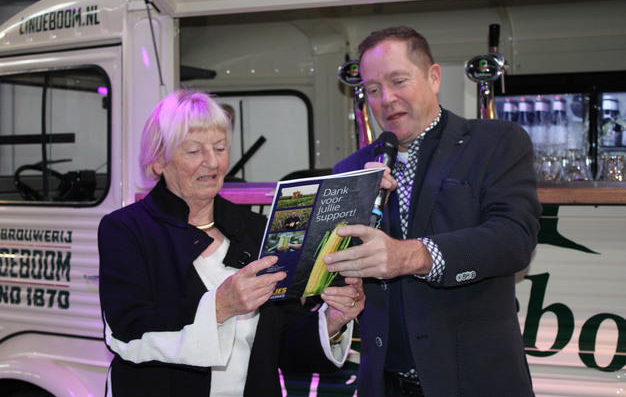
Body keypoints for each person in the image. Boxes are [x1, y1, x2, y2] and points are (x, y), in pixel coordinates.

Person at [98, 90, 364, 397]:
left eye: (220, 148)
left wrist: (331, 322)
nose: (212, 162)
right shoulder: (126, 229)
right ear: (158, 160)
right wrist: (220, 306)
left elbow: (281, 341)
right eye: (194, 151)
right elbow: (127, 333)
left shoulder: (256, 228)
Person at [326, 26, 542, 396]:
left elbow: (515, 240)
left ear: (434, 77)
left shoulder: (496, 142)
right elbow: (333, 272)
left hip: (475, 383)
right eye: (373, 90)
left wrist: (412, 256)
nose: (386, 99)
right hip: (383, 384)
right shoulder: (351, 170)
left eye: (399, 81)